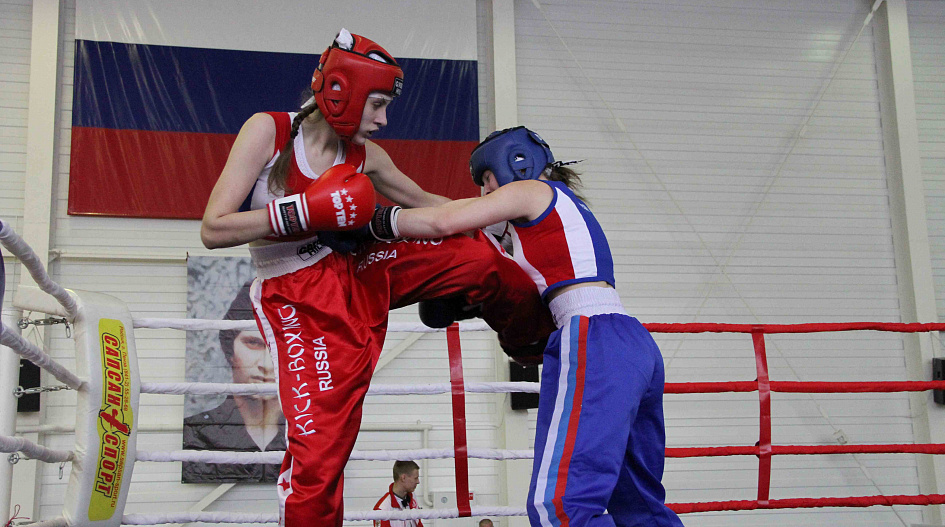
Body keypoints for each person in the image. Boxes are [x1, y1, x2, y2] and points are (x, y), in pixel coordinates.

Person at [200, 30, 554, 527]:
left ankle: (535, 343)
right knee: (322, 452)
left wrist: (511, 213)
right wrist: (304, 212)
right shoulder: (269, 131)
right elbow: (213, 229)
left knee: (475, 254)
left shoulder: (366, 156)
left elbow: (429, 204)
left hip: (360, 264)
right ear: (344, 92)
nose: (384, 119)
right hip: (298, 293)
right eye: (379, 104)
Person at [370, 127, 684, 527]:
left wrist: (372, 222)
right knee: (638, 506)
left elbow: (440, 221)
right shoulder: (538, 215)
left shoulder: (533, 191)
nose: (484, 191)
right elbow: (438, 207)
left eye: (486, 178)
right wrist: (380, 171)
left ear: (517, 162)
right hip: (633, 344)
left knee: (560, 509)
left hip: (591, 337)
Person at [182, 281, 285, 483]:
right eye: (253, 343)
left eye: (279, 346)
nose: (267, 365)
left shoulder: (313, 436)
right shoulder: (196, 434)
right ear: (230, 350)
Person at [372, 460, 423, 527]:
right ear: (403, 478)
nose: (418, 482)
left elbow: (418, 524)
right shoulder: (382, 508)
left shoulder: (412, 496)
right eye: (415, 478)